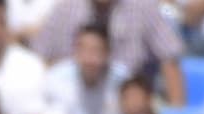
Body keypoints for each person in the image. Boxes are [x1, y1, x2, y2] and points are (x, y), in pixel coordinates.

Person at [31, 0, 185, 105]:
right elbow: (41, 56)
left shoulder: (142, 5)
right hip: (74, 100)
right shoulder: (67, 7)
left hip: (128, 101)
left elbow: (169, 56)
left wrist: (177, 113)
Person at [40, 22, 127, 114]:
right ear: (75, 51)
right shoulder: (57, 79)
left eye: (96, 51)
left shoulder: (123, 82)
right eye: (84, 50)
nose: (89, 58)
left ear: (108, 53)